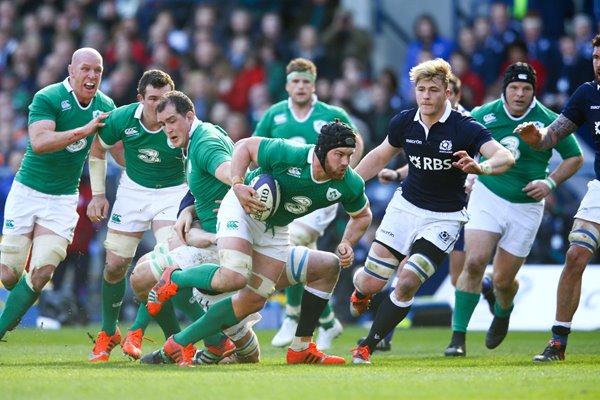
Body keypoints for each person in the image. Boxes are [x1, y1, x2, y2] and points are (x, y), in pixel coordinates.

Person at [147, 92, 372, 366]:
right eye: (339, 155)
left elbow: (362, 215)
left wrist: (348, 240)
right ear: (320, 152)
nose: (346, 163)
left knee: (252, 302)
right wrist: (239, 184)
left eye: (349, 155)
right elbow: (244, 147)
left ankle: (300, 349)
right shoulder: (291, 153)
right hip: (242, 208)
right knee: (234, 277)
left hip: (276, 227)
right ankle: (176, 278)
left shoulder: (349, 182)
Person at [349, 58, 515, 364]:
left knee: (409, 279)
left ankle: (368, 345)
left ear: (448, 93)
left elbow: (505, 157)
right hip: (404, 208)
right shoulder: (403, 122)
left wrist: (482, 167)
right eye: (421, 89)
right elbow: (381, 155)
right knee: (370, 282)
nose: (426, 96)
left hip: (444, 218)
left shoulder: (465, 128)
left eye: (433, 90)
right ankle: (360, 291)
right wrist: (351, 182)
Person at [445, 62, 583, 357]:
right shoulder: (483, 114)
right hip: (488, 194)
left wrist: (550, 182)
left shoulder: (549, 119)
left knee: (503, 281)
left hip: (527, 205)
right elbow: (462, 147)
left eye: (526, 88)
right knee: (474, 261)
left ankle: (503, 310)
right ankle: (458, 338)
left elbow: (575, 157)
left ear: (534, 91)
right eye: (514, 88)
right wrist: (469, 176)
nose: (520, 94)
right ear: (504, 88)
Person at [0, 47, 115, 340]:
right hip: (27, 192)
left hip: (63, 198)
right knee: (9, 274)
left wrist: (100, 194)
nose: (92, 76)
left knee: (42, 273)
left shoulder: (105, 105)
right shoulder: (48, 97)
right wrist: (83, 130)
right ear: (71, 71)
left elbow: (101, 152)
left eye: (98, 70)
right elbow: (39, 142)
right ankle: (16, 305)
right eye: (86, 69)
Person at [86, 69, 199, 362]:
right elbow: (98, 148)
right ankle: (108, 332)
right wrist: (99, 195)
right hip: (133, 191)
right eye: (152, 99)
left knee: (168, 267)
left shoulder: (180, 124)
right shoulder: (123, 119)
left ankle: (176, 342)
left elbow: (199, 160)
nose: (158, 105)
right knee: (114, 265)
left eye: (163, 99)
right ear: (140, 99)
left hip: (173, 192)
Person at [254, 57, 364, 350]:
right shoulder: (274, 114)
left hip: (319, 196)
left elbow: (356, 143)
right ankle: (327, 323)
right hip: (282, 195)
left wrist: (349, 177)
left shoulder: (331, 113)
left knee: (295, 242)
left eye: (306, 82)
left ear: (314, 85)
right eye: (296, 81)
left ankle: (291, 316)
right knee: (308, 265)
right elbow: (255, 145)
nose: (301, 87)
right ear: (288, 85)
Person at [515, 34, 600, 362]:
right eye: (595, 57)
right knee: (576, 254)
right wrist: (536, 138)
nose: (598, 63)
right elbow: (550, 138)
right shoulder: (586, 95)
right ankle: (558, 342)